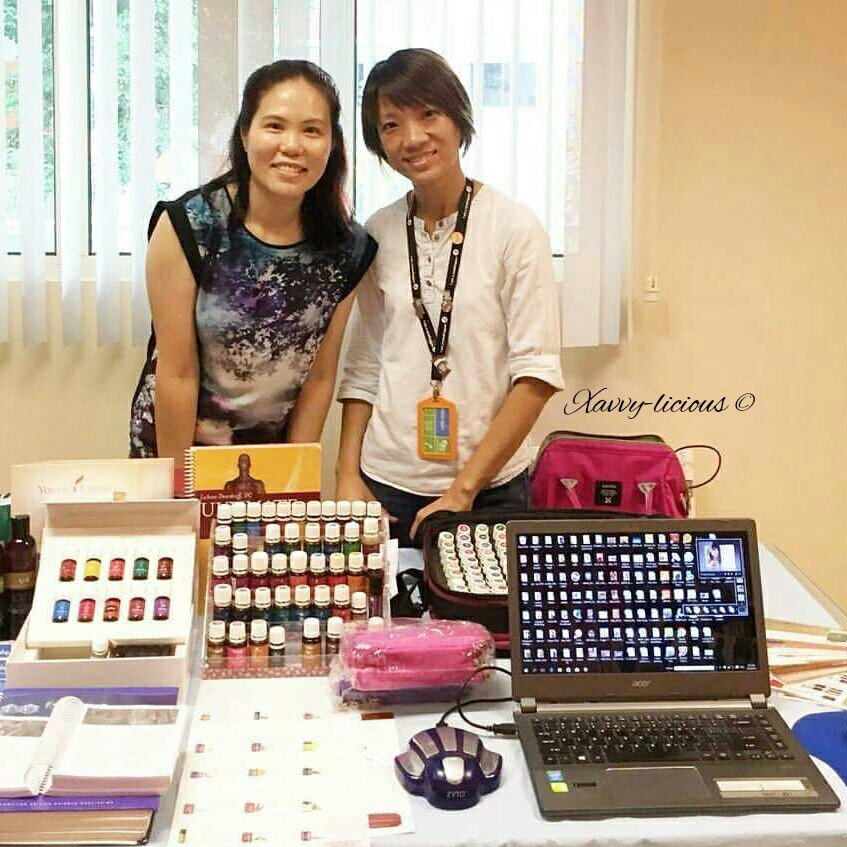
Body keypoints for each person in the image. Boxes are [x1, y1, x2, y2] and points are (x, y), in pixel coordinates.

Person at [336, 49, 564, 547]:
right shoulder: (378, 232)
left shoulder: (513, 228)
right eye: (391, 125)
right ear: (378, 142)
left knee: (483, 604)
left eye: (428, 114)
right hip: (385, 485)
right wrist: (346, 475)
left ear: (458, 119)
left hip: (490, 490)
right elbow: (363, 366)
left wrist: (463, 491)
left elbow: (537, 375)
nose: (412, 138)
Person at [129, 60, 377, 470]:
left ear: (332, 143)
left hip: (267, 460)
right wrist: (177, 489)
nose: (292, 146)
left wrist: (294, 481)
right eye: (275, 126)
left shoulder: (346, 248)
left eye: (311, 130)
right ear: (245, 133)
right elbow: (177, 373)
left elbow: (318, 380)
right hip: (175, 449)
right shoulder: (190, 226)